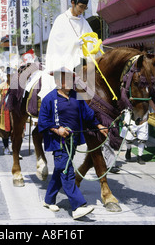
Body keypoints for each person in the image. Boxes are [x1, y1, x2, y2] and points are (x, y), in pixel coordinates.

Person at [38, 68, 108, 220]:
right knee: (66, 171)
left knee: (59, 169)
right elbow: (43, 121)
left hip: (73, 141)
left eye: (70, 79)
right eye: (65, 79)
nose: (69, 82)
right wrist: (57, 130)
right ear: (57, 81)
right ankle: (77, 206)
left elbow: (88, 114)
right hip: (59, 142)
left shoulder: (77, 96)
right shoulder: (49, 99)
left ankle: (48, 200)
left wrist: (99, 126)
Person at [39, 0, 94, 99]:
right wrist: (74, 43)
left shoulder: (84, 22)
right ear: (73, 3)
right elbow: (57, 43)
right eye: (80, 7)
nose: (82, 10)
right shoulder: (61, 19)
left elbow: (92, 38)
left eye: (85, 8)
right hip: (66, 64)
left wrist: (93, 45)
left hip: (82, 63)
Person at [125, 100, 155, 165]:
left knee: (142, 139)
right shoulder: (129, 90)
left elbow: (150, 99)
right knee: (128, 139)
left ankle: (140, 156)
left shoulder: (146, 92)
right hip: (132, 118)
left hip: (144, 119)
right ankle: (128, 149)